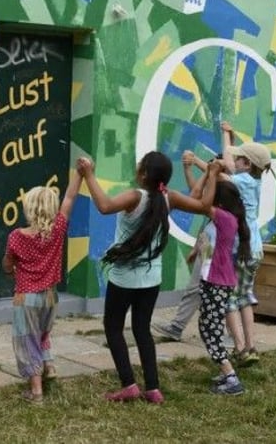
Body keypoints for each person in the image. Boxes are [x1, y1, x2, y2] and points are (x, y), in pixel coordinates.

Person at [77, 151, 210, 405]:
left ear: (144, 174)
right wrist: (212, 175)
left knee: (114, 328)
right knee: (142, 330)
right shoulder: (168, 198)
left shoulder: (135, 197)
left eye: (139, 166)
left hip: (124, 279)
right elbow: (204, 206)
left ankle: (128, 384)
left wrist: (89, 175)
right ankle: (153, 388)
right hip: (152, 279)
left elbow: (104, 206)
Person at [2, 171, 83, 403]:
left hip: (26, 297)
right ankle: (49, 365)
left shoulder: (17, 236)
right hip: (50, 296)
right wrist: (79, 174)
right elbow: (70, 197)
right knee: (42, 333)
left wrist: (10, 270)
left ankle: (36, 390)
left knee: (26, 340)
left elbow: (8, 263)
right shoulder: (57, 229)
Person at [190, 161, 252, 396]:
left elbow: (203, 202)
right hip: (213, 279)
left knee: (211, 329)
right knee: (207, 325)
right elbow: (209, 238)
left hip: (217, 281)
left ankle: (231, 377)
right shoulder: (222, 219)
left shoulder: (225, 218)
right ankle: (226, 370)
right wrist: (195, 251)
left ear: (220, 202)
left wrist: (211, 174)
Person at [152, 151, 225, 342]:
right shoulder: (217, 180)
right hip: (209, 240)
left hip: (218, 242)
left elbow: (195, 196)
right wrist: (189, 169)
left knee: (209, 288)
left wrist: (206, 169)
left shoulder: (227, 183)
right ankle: (179, 327)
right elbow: (195, 193)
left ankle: (232, 337)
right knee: (200, 287)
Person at [220, 122, 272, 366]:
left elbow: (223, 167)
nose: (235, 161)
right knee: (246, 296)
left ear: (247, 165)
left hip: (239, 247)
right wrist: (227, 135)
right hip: (256, 248)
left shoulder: (240, 181)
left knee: (229, 298)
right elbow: (229, 161)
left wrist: (206, 165)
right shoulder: (256, 181)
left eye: (240, 159)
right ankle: (251, 346)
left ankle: (239, 348)